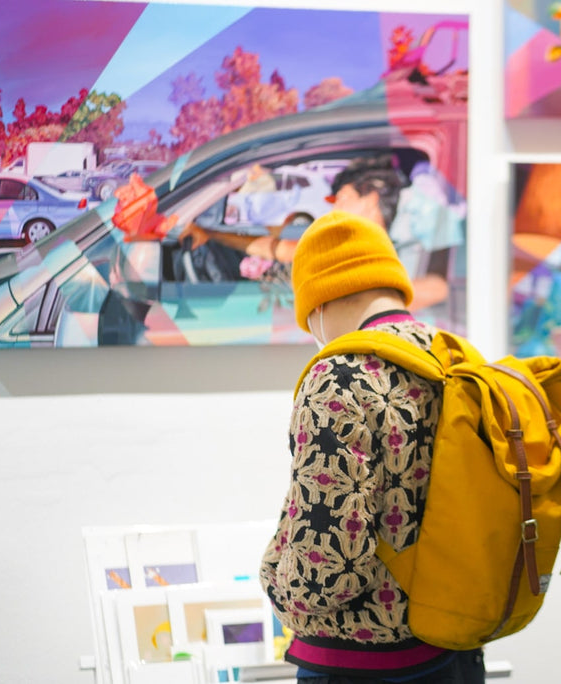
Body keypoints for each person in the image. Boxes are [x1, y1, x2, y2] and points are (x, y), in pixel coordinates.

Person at [259, 210, 485, 683]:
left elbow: (327, 568)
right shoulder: (453, 358)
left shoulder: (338, 377)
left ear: (318, 302)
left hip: (361, 663)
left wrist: (276, 585)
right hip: (454, 642)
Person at [179, 154, 451, 310]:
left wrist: (358, 293)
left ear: (371, 197)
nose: (334, 210)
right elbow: (280, 250)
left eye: (343, 198)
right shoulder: (345, 244)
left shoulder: (421, 218)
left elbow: (438, 288)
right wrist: (211, 234)